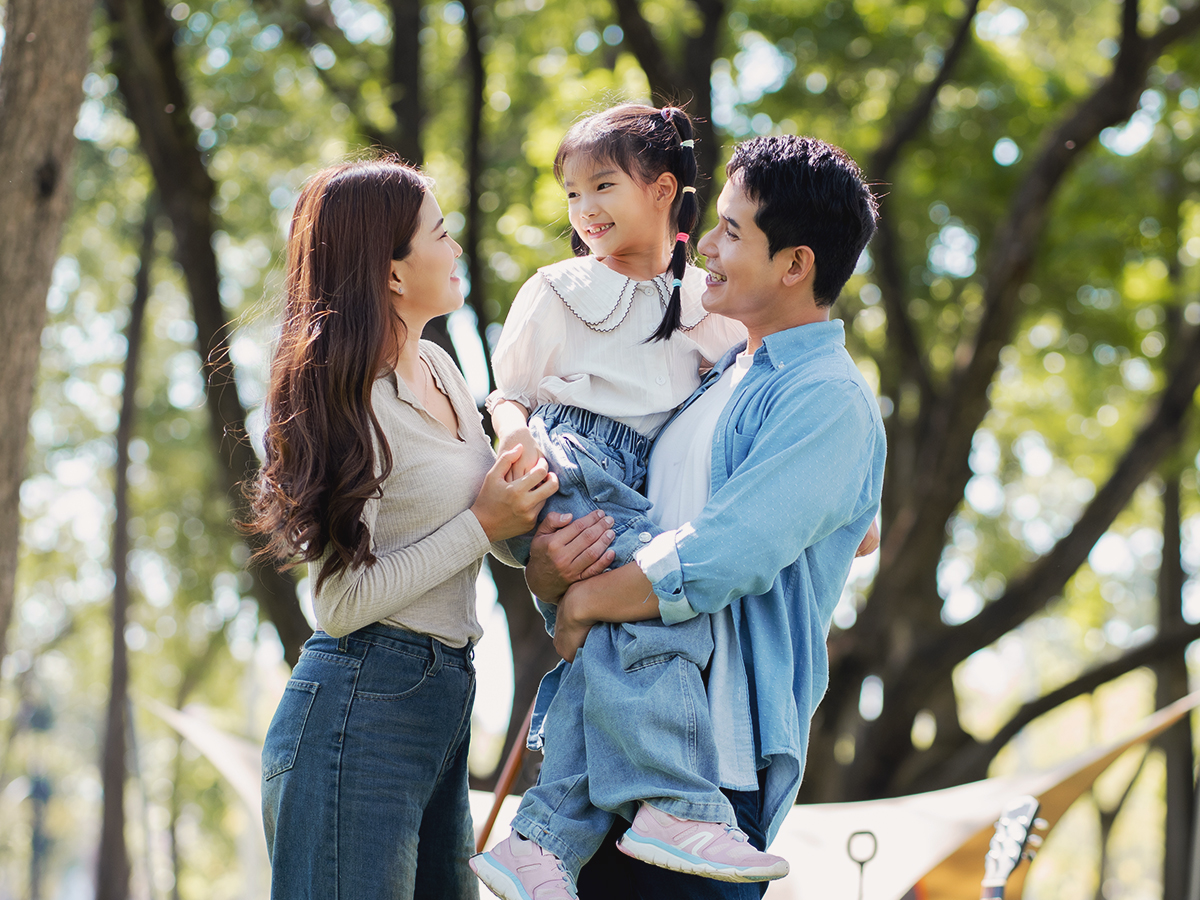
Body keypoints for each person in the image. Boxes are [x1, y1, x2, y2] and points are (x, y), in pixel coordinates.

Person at [526, 133, 887, 899]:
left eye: (733, 230)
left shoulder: (826, 396)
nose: (706, 244)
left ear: (795, 266)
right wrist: (548, 571)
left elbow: (725, 552)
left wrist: (586, 602)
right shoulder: (716, 372)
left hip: (713, 774)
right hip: (619, 755)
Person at [470, 104, 790, 900]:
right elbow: (506, 392)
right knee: (656, 619)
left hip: (634, 483)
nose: (585, 210)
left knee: (608, 660)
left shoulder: (703, 312)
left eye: (602, 186)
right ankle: (675, 804)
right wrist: (517, 443)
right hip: (571, 458)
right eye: (572, 195)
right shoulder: (560, 289)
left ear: (664, 190)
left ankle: (539, 843)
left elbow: (756, 386)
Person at [248, 157, 558, 900]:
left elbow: (491, 524)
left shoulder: (444, 370)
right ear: (391, 273)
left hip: (444, 696)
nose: (455, 251)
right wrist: (486, 524)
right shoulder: (345, 395)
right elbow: (341, 602)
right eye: (441, 235)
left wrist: (554, 543)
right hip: (359, 704)